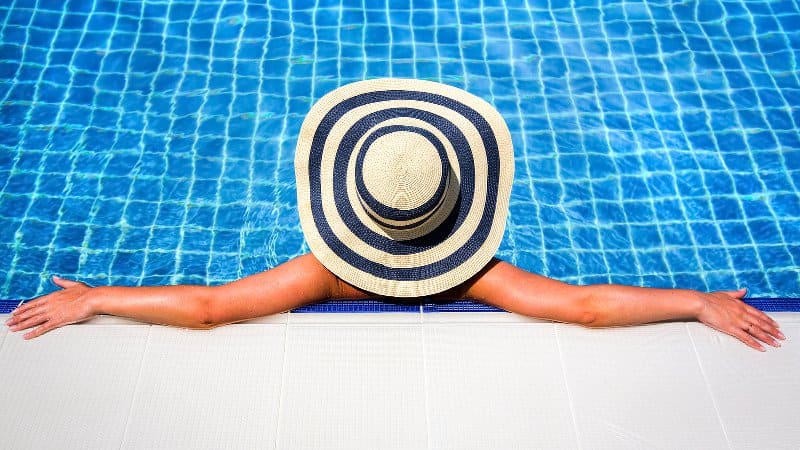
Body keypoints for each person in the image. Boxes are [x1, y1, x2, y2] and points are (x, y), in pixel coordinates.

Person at [5, 79, 784, 352]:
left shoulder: (321, 273)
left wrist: (97, 297)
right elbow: (583, 307)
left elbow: (210, 309)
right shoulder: (479, 276)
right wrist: (696, 302)